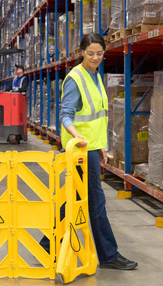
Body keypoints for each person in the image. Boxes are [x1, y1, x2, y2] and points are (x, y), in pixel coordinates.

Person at [59, 33, 138, 270]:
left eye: (99, 53)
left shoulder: (94, 76)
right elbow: (66, 114)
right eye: (90, 53)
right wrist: (76, 136)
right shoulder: (76, 78)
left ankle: (49, 243)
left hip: (92, 147)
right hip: (81, 150)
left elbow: (98, 116)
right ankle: (108, 255)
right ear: (81, 52)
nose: (95, 57)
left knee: (74, 200)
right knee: (95, 202)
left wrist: (102, 144)